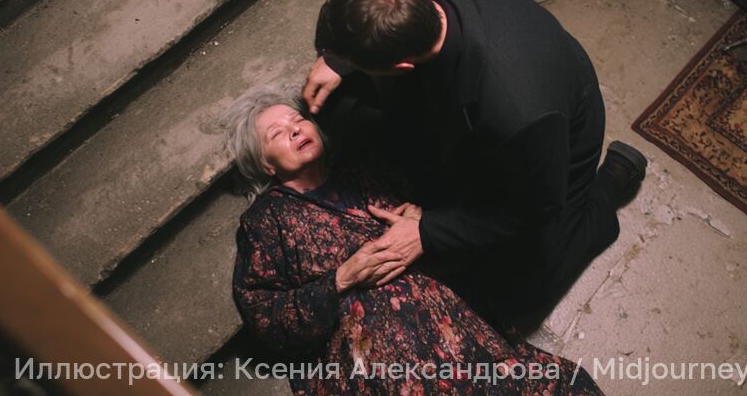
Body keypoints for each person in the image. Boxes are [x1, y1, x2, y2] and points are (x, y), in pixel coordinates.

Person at [302, 0, 647, 329]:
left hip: (555, 138)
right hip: (495, 106)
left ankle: (606, 192)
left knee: (515, 301)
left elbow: (536, 207)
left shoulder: (520, 116)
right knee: (346, 106)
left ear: (402, 66)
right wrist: (340, 60)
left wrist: (426, 232)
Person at [226, 84, 604, 395]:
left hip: (454, 333)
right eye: (278, 133)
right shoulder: (267, 220)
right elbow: (267, 320)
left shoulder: (367, 170)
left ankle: (603, 198)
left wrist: (425, 224)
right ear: (266, 165)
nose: (295, 129)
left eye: (298, 120)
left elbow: (456, 233)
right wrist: (341, 279)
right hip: (383, 369)